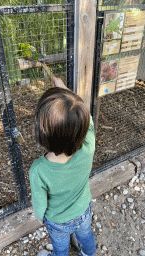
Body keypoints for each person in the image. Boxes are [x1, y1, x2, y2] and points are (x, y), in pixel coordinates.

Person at [29, 76, 97, 256]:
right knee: (86, 234)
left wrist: (40, 217)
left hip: (57, 220)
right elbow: (85, 116)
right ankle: (89, 253)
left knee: (60, 246)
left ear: (42, 133)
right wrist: (65, 91)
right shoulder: (88, 145)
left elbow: (39, 201)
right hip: (83, 210)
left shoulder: (39, 170)